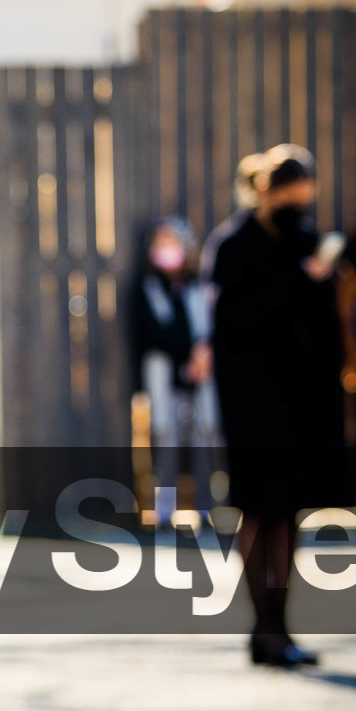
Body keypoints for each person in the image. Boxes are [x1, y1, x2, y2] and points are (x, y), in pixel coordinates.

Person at [210, 146, 350, 667]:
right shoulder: (233, 245)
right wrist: (299, 280)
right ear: (269, 190)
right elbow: (232, 323)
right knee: (258, 509)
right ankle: (262, 626)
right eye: (294, 193)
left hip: (301, 402)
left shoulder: (307, 240)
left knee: (288, 513)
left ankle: (281, 626)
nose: (301, 203)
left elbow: (324, 326)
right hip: (251, 403)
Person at [130, 218, 216, 516]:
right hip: (164, 377)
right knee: (166, 441)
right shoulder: (147, 289)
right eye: (161, 243)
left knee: (204, 439)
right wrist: (185, 353)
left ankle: (205, 508)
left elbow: (205, 328)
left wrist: (201, 354)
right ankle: (164, 511)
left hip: (198, 379)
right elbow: (152, 335)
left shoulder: (196, 287)